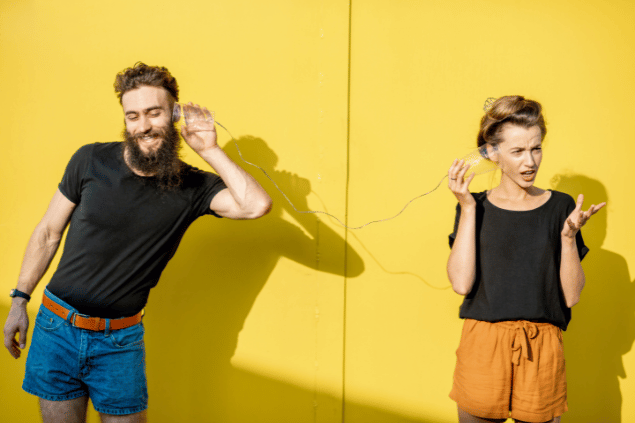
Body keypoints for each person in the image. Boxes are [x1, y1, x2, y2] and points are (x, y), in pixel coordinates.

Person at [3, 62, 272, 423]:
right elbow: (48, 232)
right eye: (133, 115)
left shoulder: (194, 186)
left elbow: (256, 206)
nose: (143, 126)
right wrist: (20, 299)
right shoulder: (90, 159)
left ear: (175, 114)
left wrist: (209, 150)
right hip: (56, 329)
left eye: (154, 113)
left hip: (120, 343)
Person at [446, 95, 605, 423]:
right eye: (517, 151)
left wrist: (568, 237)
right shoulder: (474, 206)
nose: (530, 161)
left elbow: (571, 296)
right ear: (491, 152)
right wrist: (467, 208)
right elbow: (461, 283)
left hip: (541, 347)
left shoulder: (561, 208)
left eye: (536, 148)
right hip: (483, 343)